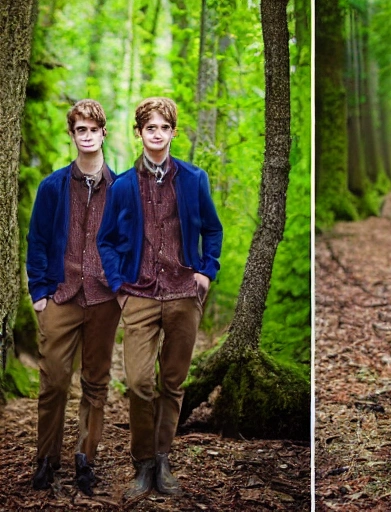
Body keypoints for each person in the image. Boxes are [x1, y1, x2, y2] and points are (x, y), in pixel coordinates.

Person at [97, 97, 223, 499]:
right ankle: (143, 462)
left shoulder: (193, 178)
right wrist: (119, 287)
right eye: (150, 127)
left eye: (164, 127)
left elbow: (213, 230)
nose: (157, 134)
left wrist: (206, 272)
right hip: (139, 295)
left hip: (185, 293)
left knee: (173, 381)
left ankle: (164, 459)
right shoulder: (121, 186)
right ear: (139, 133)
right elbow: (107, 242)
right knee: (138, 382)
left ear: (173, 132)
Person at [27, 99, 121, 496]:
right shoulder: (52, 187)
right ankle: (46, 459)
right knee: (53, 381)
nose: (86, 136)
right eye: (79, 130)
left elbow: (128, 242)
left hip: (103, 299)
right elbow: (38, 240)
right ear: (73, 135)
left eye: (92, 129)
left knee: (96, 383)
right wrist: (39, 292)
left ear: (103, 133)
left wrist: (123, 289)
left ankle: (86, 458)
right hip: (61, 296)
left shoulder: (121, 188)